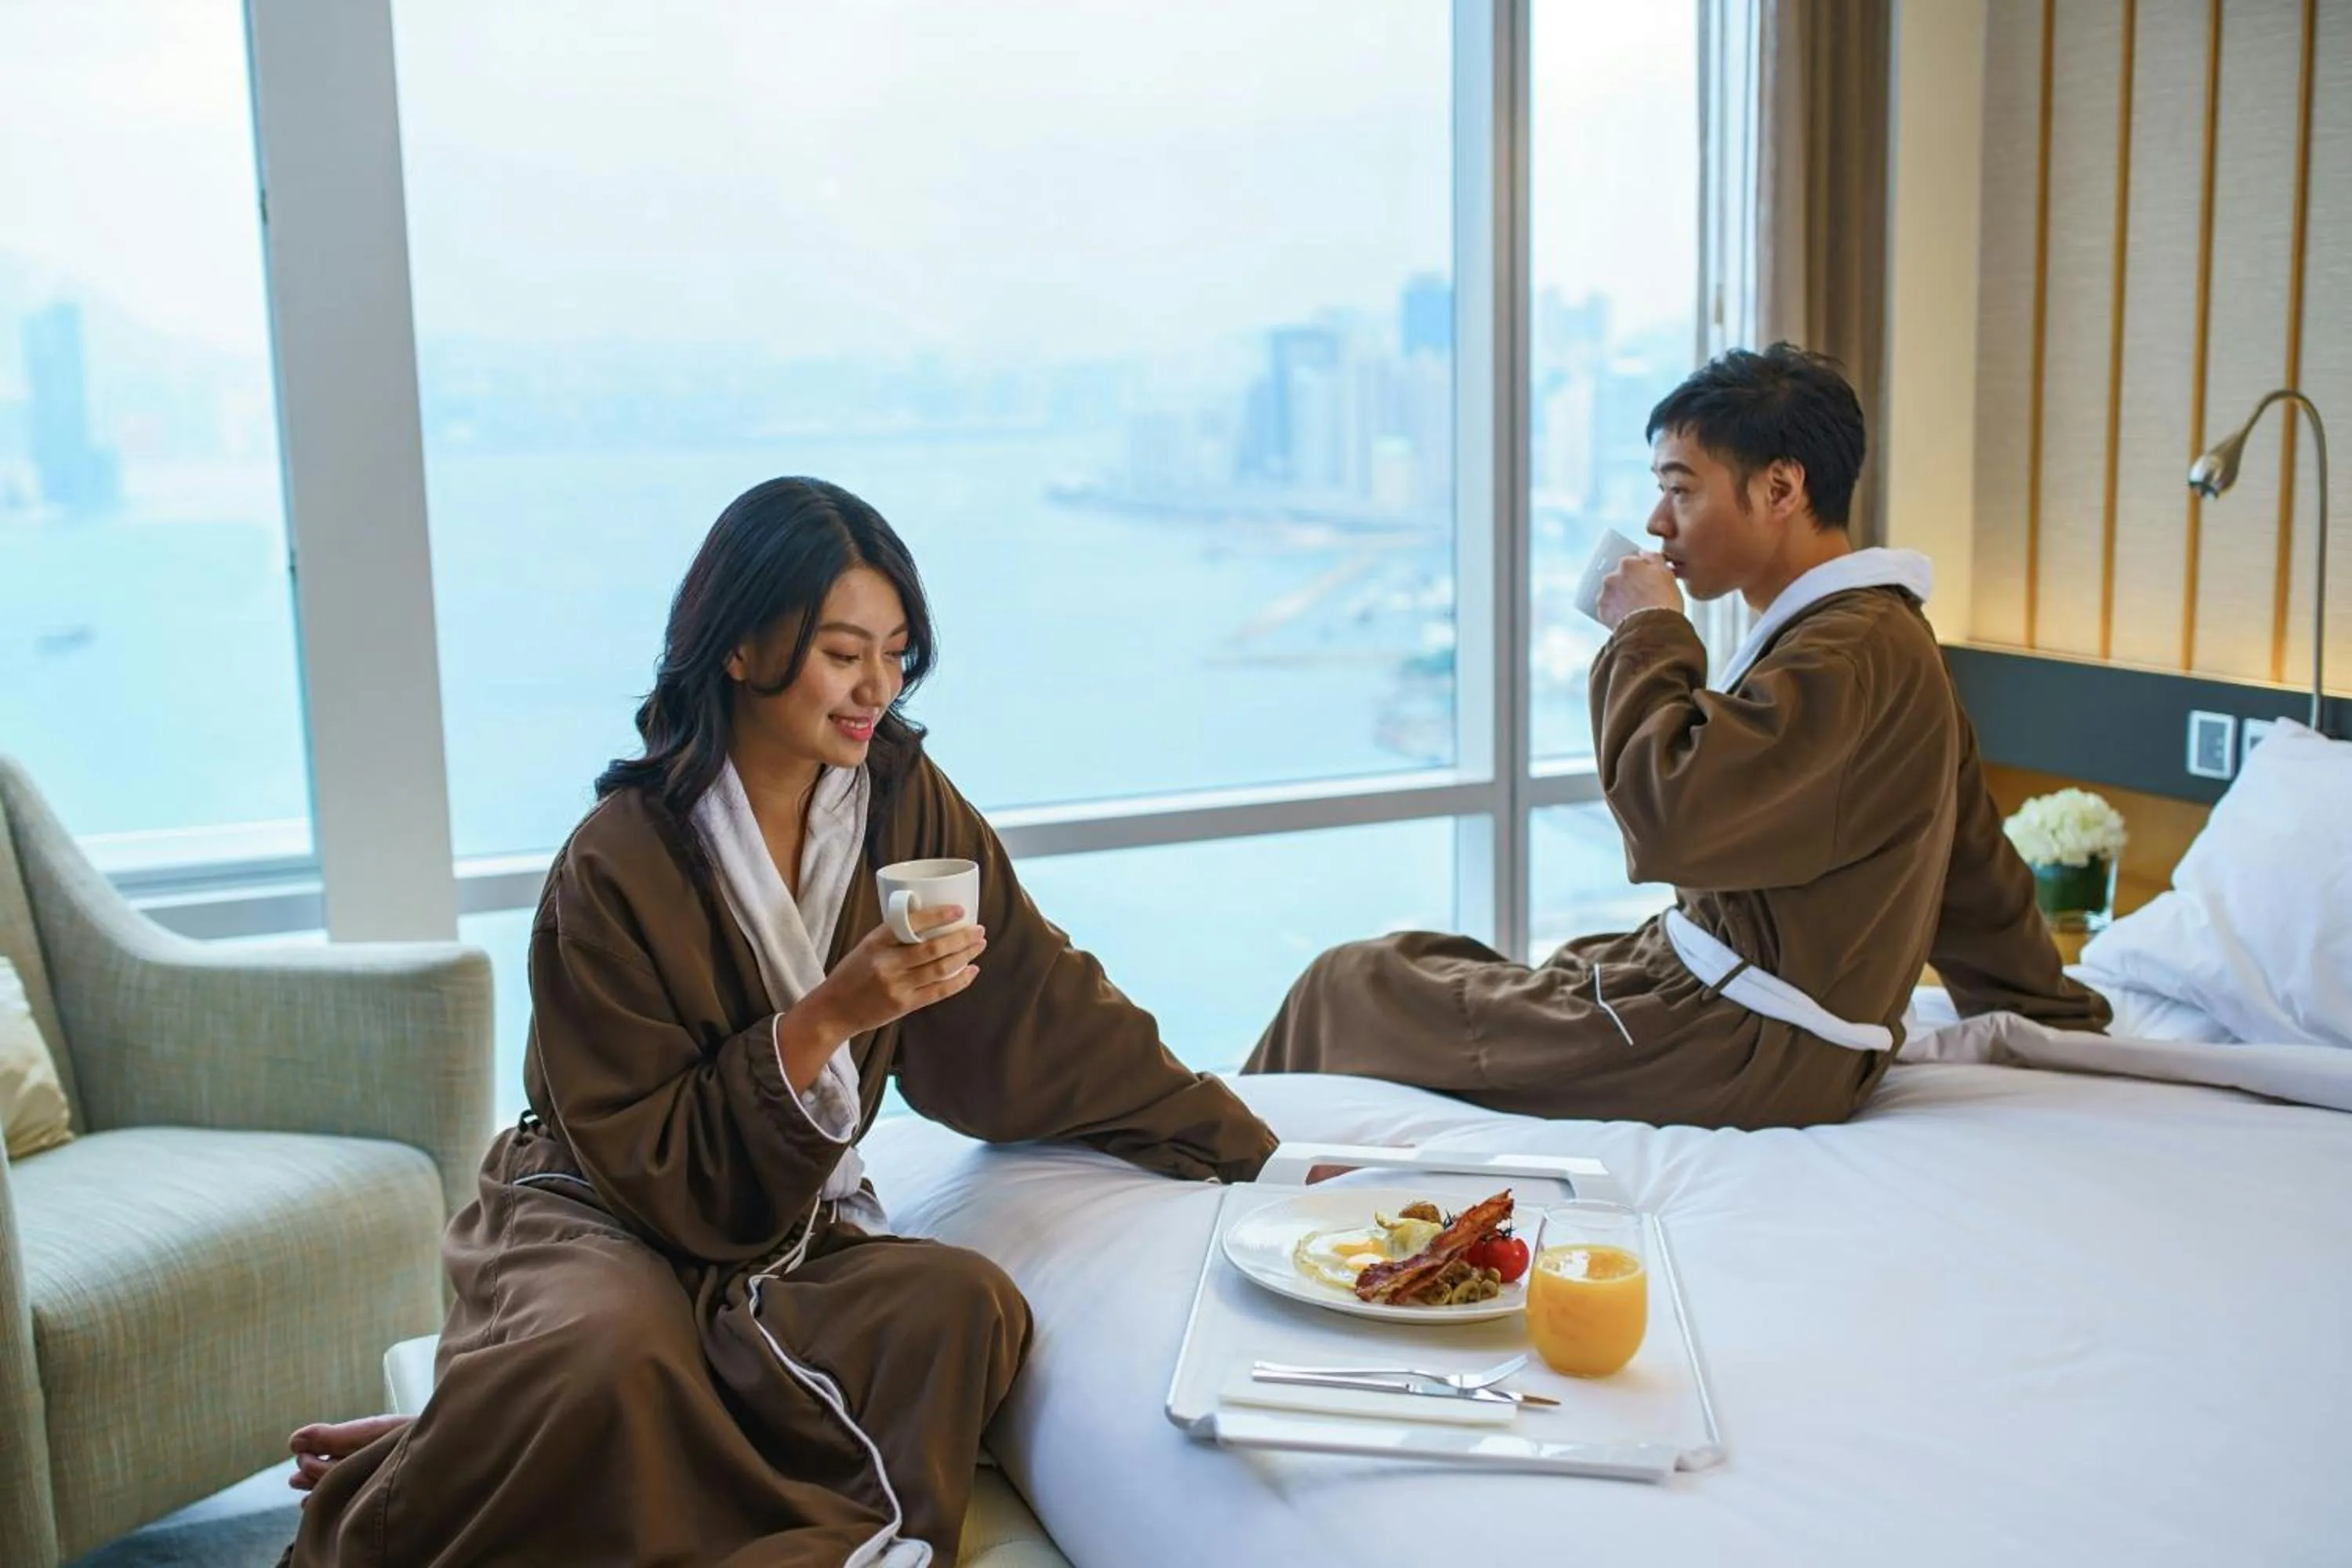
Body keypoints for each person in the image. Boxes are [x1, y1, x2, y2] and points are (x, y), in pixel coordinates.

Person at [281, 477, 1275, 1566]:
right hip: (604, 1208)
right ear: (742, 649)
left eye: (896, 653)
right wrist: (834, 1013)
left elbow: (1045, 1010)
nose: (875, 688)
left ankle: (515, 1431)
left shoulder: (902, 800)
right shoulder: (617, 858)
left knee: (959, 1309)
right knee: (613, 1350)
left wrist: (1248, 1155)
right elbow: (640, 1153)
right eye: (844, 651)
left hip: (788, 1224)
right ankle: (444, 1466)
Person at [1245, 343, 2110, 1129]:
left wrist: (1647, 632)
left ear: (1781, 488)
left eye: (1681, 487)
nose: (1658, 522)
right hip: (1754, 1027)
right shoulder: (1876, 638)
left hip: (1735, 1044)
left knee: (1350, 982)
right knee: (1429, 959)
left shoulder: (1848, 651)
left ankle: (1212, 1173)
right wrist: (2054, 1015)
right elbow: (1970, 859)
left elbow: (1672, 822)